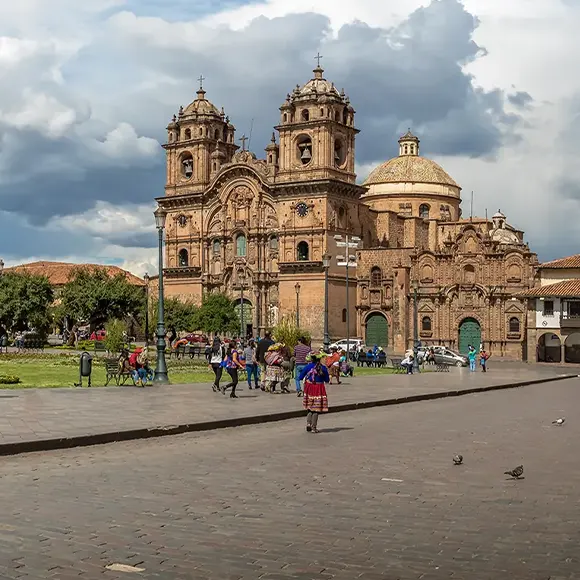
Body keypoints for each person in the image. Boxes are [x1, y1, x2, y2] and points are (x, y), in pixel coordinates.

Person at [300, 353, 330, 433]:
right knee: (316, 409)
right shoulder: (323, 368)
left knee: (310, 408)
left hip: (309, 388)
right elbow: (327, 380)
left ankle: (308, 423)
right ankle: (314, 427)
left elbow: (300, 377)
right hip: (319, 388)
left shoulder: (308, 367)